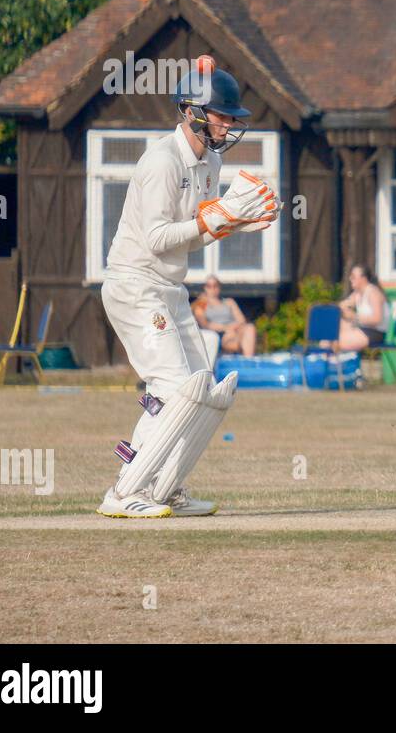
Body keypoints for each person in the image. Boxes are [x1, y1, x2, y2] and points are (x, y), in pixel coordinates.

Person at [98, 56, 281, 518]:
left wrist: (236, 222)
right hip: (134, 282)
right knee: (174, 386)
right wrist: (218, 217)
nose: (228, 126)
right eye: (222, 116)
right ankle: (123, 491)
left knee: (204, 389)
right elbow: (159, 239)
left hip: (170, 288)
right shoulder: (160, 161)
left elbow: (196, 234)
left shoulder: (210, 161)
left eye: (231, 118)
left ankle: (166, 488)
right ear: (192, 112)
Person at [192, 275, 258, 357]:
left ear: (219, 287)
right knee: (229, 338)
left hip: (234, 330)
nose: (212, 289)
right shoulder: (201, 303)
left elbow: (241, 320)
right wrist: (226, 328)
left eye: (215, 285)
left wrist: (231, 329)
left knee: (250, 328)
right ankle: (245, 356)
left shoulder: (229, 302)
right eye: (209, 286)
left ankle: (248, 360)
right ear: (205, 288)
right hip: (218, 334)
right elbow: (204, 324)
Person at [333, 264, 390, 352]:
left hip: (376, 333)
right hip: (364, 329)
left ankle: (338, 362)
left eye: (353, 276)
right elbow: (342, 306)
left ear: (363, 278)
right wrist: (343, 309)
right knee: (330, 335)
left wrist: (354, 317)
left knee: (335, 342)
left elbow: (377, 319)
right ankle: (328, 363)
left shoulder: (373, 293)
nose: (350, 278)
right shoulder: (358, 293)